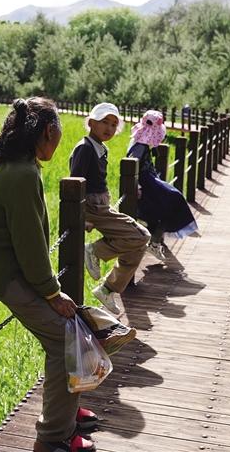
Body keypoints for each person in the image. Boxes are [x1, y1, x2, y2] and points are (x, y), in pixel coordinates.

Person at [0, 97, 97, 452]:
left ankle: (64, 414)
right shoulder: (23, 174)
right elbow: (29, 244)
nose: (59, 139)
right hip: (7, 274)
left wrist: (50, 290)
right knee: (66, 340)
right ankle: (54, 437)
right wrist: (52, 293)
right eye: (59, 131)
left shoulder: (19, 166)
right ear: (47, 131)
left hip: (15, 269)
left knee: (70, 332)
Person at [69, 102, 150, 315]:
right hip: (92, 207)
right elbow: (75, 182)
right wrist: (83, 215)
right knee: (140, 236)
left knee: (141, 239)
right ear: (91, 123)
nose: (109, 128)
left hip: (101, 206)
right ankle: (93, 250)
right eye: (104, 122)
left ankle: (108, 289)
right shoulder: (85, 148)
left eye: (114, 124)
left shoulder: (100, 148)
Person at [127, 109, 199, 259]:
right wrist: (137, 186)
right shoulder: (140, 146)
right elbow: (132, 164)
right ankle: (154, 241)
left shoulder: (142, 144)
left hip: (149, 181)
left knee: (169, 203)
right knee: (173, 199)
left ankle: (154, 240)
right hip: (146, 183)